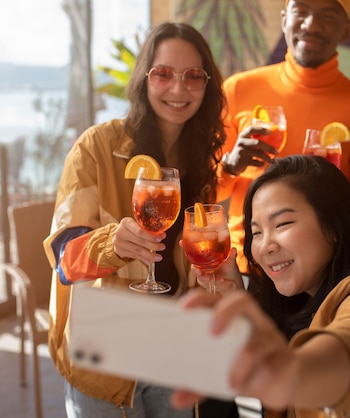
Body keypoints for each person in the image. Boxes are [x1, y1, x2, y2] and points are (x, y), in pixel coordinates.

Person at [43, 22, 237, 417]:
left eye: (193, 76)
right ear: (144, 79)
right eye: (163, 74)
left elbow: (195, 255)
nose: (179, 89)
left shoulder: (200, 162)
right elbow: (65, 261)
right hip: (104, 342)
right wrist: (110, 245)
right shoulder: (96, 147)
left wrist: (213, 273)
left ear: (208, 85)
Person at [173, 155, 350, 417]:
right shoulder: (298, 305)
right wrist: (238, 300)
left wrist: (293, 374)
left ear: (334, 227)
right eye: (256, 232)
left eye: (283, 224)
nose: (266, 246)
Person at [217, 0, 350, 273]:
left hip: (321, 280)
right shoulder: (237, 90)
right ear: (284, 18)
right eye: (301, 11)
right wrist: (231, 165)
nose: (311, 25)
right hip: (243, 270)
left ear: (346, 30)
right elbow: (207, 194)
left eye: (328, 15)